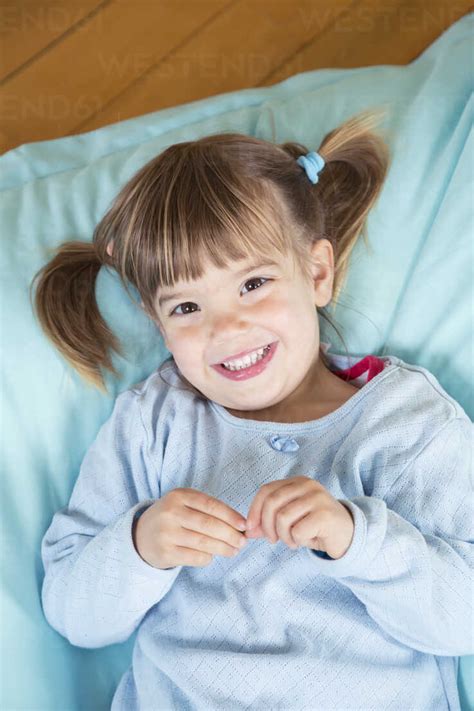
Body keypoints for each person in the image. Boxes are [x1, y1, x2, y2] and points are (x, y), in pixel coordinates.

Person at [32, 110, 473, 710]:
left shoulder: (402, 422)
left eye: (252, 284)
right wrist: (139, 545)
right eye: (186, 307)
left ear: (317, 273)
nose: (228, 328)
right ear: (155, 322)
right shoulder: (156, 421)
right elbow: (73, 614)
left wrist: (357, 539)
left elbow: (461, 619)